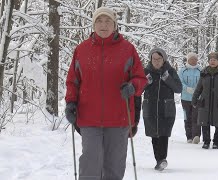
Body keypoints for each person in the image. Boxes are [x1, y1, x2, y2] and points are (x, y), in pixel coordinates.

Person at [64, 7, 147, 180]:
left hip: (119, 117)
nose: (104, 25)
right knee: (90, 162)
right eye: (99, 21)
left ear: (115, 25)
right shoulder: (82, 50)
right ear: (93, 25)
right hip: (89, 117)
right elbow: (73, 80)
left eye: (108, 21)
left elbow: (140, 78)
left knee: (114, 165)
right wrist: (70, 102)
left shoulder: (127, 49)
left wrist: (133, 86)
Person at [142, 48, 182, 171]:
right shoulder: (145, 71)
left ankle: (162, 159)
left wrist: (167, 78)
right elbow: (138, 89)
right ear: (151, 59)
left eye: (159, 59)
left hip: (166, 108)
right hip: (151, 108)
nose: (157, 61)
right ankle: (159, 160)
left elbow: (178, 88)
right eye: (154, 59)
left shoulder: (170, 71)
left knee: (164, 134)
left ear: (163, 59)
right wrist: (146, 82)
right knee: (154, 135)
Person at [192, 52, 218, 149]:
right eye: (211, 60)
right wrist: (194, 99)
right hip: (205, 102)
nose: (212, 62)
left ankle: (216, 142)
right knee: (204, 123)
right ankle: (206, 141)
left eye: (214, 60)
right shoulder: (204, 73)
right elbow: (198, 88)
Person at [178, 52, 201, 144]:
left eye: (195, 59)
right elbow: (180, 82)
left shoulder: (200, 70)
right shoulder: (182, 70)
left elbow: (203, 82)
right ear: (188, 60)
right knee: (187, 117)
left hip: (197, 98)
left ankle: (196, 136)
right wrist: (186, 88)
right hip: (185, 98)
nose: (193, 61)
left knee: (196, 117)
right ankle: (189, 136)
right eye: (191, 59)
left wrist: (197, 90)